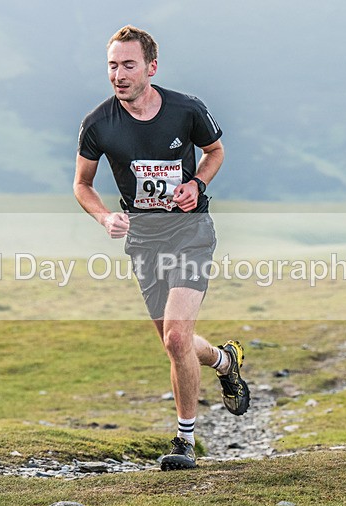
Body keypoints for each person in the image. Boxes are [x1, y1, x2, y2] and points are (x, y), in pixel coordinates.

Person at [73, 26, 250, 470]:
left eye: (128, 65)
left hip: (190, 234)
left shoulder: (186, 110)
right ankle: (226, 362)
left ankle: (184, 442)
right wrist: (104, 216)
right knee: (177, 344)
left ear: (151, 67)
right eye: (112, 65)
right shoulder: (97, 124)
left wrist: (197, 183)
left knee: (175, 337)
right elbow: (82, 184)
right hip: (144, 242)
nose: (119, 74)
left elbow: (215, 151)